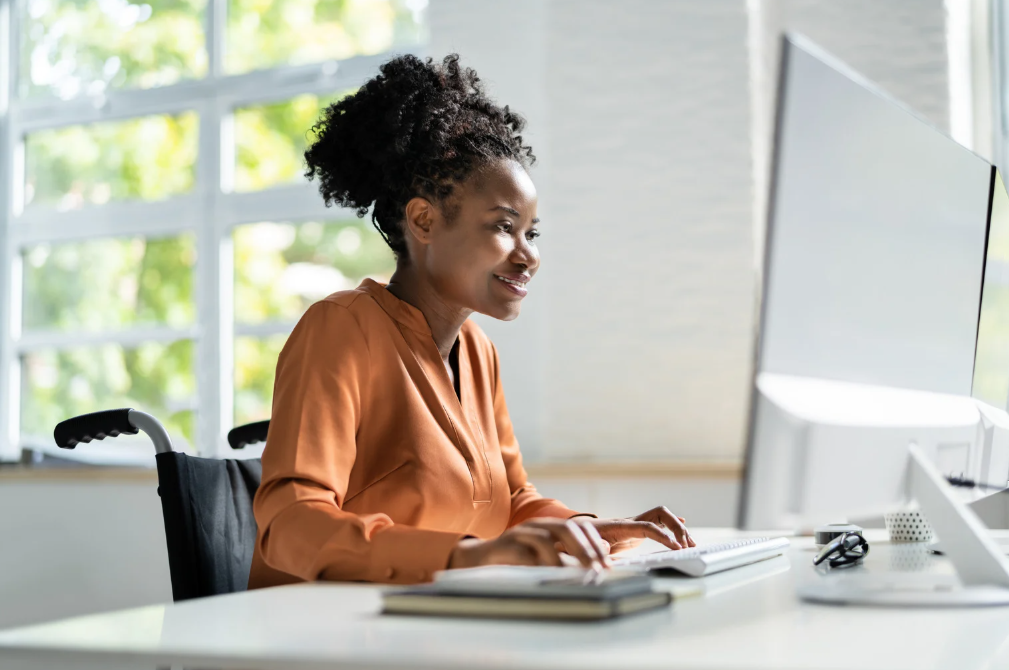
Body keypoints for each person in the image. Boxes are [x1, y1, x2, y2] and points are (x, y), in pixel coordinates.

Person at [248, 54, 694, 588]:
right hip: (321, 635)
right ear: (424, 220)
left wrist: (591, 530)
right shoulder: (340, 329)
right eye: (505, 227)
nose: (527, 254)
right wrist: (464, 557)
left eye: (532, 232)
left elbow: (512, 502)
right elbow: (290, 522)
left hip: (434, 627)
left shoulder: (478, 352)